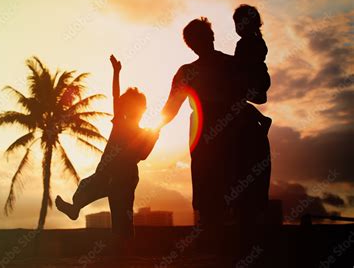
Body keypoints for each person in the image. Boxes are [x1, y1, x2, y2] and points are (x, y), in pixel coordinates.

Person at [55, 55, 159, 244]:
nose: (127, 109)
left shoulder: (145, 133)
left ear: (141, 110)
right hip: (105, 172)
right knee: (84, 188)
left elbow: (142, 155)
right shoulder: (120, 122)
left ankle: (124, 249)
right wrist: (116, 73)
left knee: (121, 217)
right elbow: (115, 96)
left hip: (124, 178)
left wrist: (156, 134)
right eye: (126, 106)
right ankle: (74, 209)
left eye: (133, 107)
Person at [161, 17, 241, 257]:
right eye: (196, 40)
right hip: (212, 135)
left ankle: (220, 245)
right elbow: (170, 110)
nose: (200, 44)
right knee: (214, 191)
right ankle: (219, 245)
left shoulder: (226, 65)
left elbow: (170, 110)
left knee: (218, 190)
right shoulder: (227, 65)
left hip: (221, 134)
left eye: (200, 39)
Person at [233, 4, 272, 135]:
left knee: (235, 101)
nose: (237, 28)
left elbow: (238, 64)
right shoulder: (259, 41)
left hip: (254, 79)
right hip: (262, 78)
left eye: (238, 24)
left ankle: (262, 119)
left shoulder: (244, 43)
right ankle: (261, 119)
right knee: (238, 102)